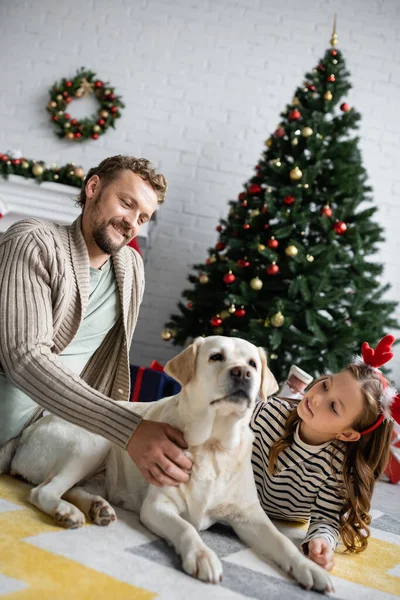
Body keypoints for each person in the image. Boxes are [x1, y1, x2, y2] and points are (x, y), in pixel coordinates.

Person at [0, 155, 192, 487]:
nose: (132, 221)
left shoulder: (131, 268)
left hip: (55, 434)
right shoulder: (33, 242)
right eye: (126, 203)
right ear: (93, 188)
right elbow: (26, 358)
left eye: (142, 216)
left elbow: (106, 366)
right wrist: (126, 427)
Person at [250, 335, 399, 572]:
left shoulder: (338, 465)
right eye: (326, 385)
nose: (317, 397)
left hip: (285, 518)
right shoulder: (266, 414)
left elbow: (326, 518)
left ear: (348, 434)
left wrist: (320, 542)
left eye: (333, 406)